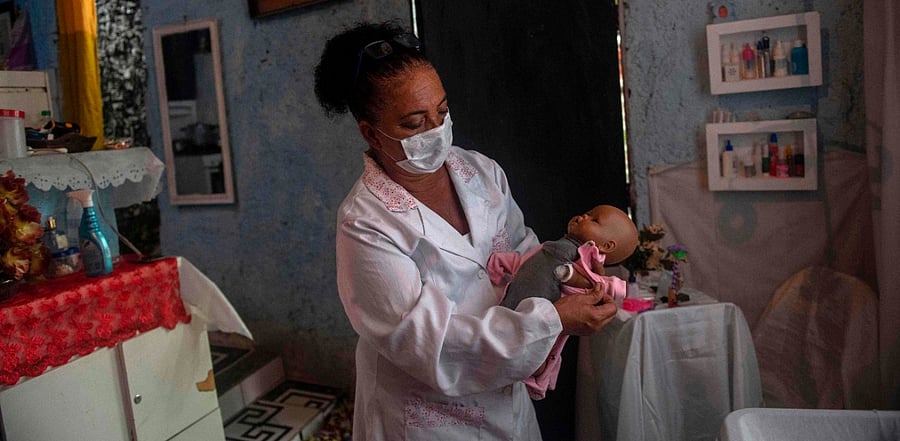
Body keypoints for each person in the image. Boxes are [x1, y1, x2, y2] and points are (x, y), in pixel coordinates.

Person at [315, 21, 618, 440]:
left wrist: (569, 283)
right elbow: (428, 346)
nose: (435, 132)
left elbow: (527, 253)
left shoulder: (481, 172)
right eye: (413, 123)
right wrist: (550, 320)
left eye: (441, 112)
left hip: (504, 401)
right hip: (427, 418)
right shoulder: (365, 223)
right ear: (370, 132)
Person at [487, 204, 639, 399]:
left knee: (533, 348)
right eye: (587, 212)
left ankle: (539, 372)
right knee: (504, 335)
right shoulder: (552, 246)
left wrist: (573, 276)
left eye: (594, 220)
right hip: (512, 303)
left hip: (539, 308)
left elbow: (594, 284)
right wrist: (503, 262)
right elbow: (530, 263)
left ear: (606, 246)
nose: (583, 216)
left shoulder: (585, 259)